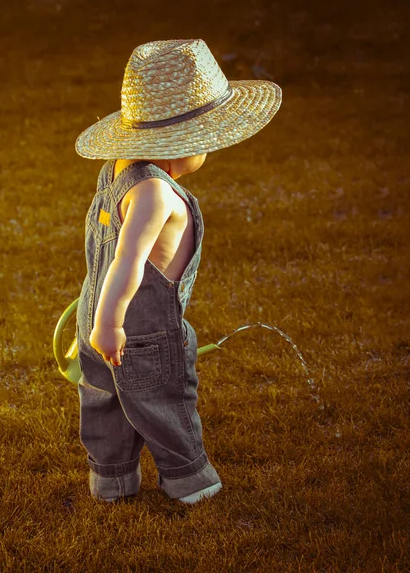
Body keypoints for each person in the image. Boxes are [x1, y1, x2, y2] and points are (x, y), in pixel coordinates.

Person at [73, 38, 281, 503]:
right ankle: (190, 480)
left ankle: (112, 480)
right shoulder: (155, 193)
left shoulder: (117, 171)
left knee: (105, 402)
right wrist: (112, 325)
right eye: (208, 141)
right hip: (142, 330)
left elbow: (106, 253)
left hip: (96, 313)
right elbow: (127, 262)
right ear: (182, 143)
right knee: (165, 401)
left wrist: (98, 323)